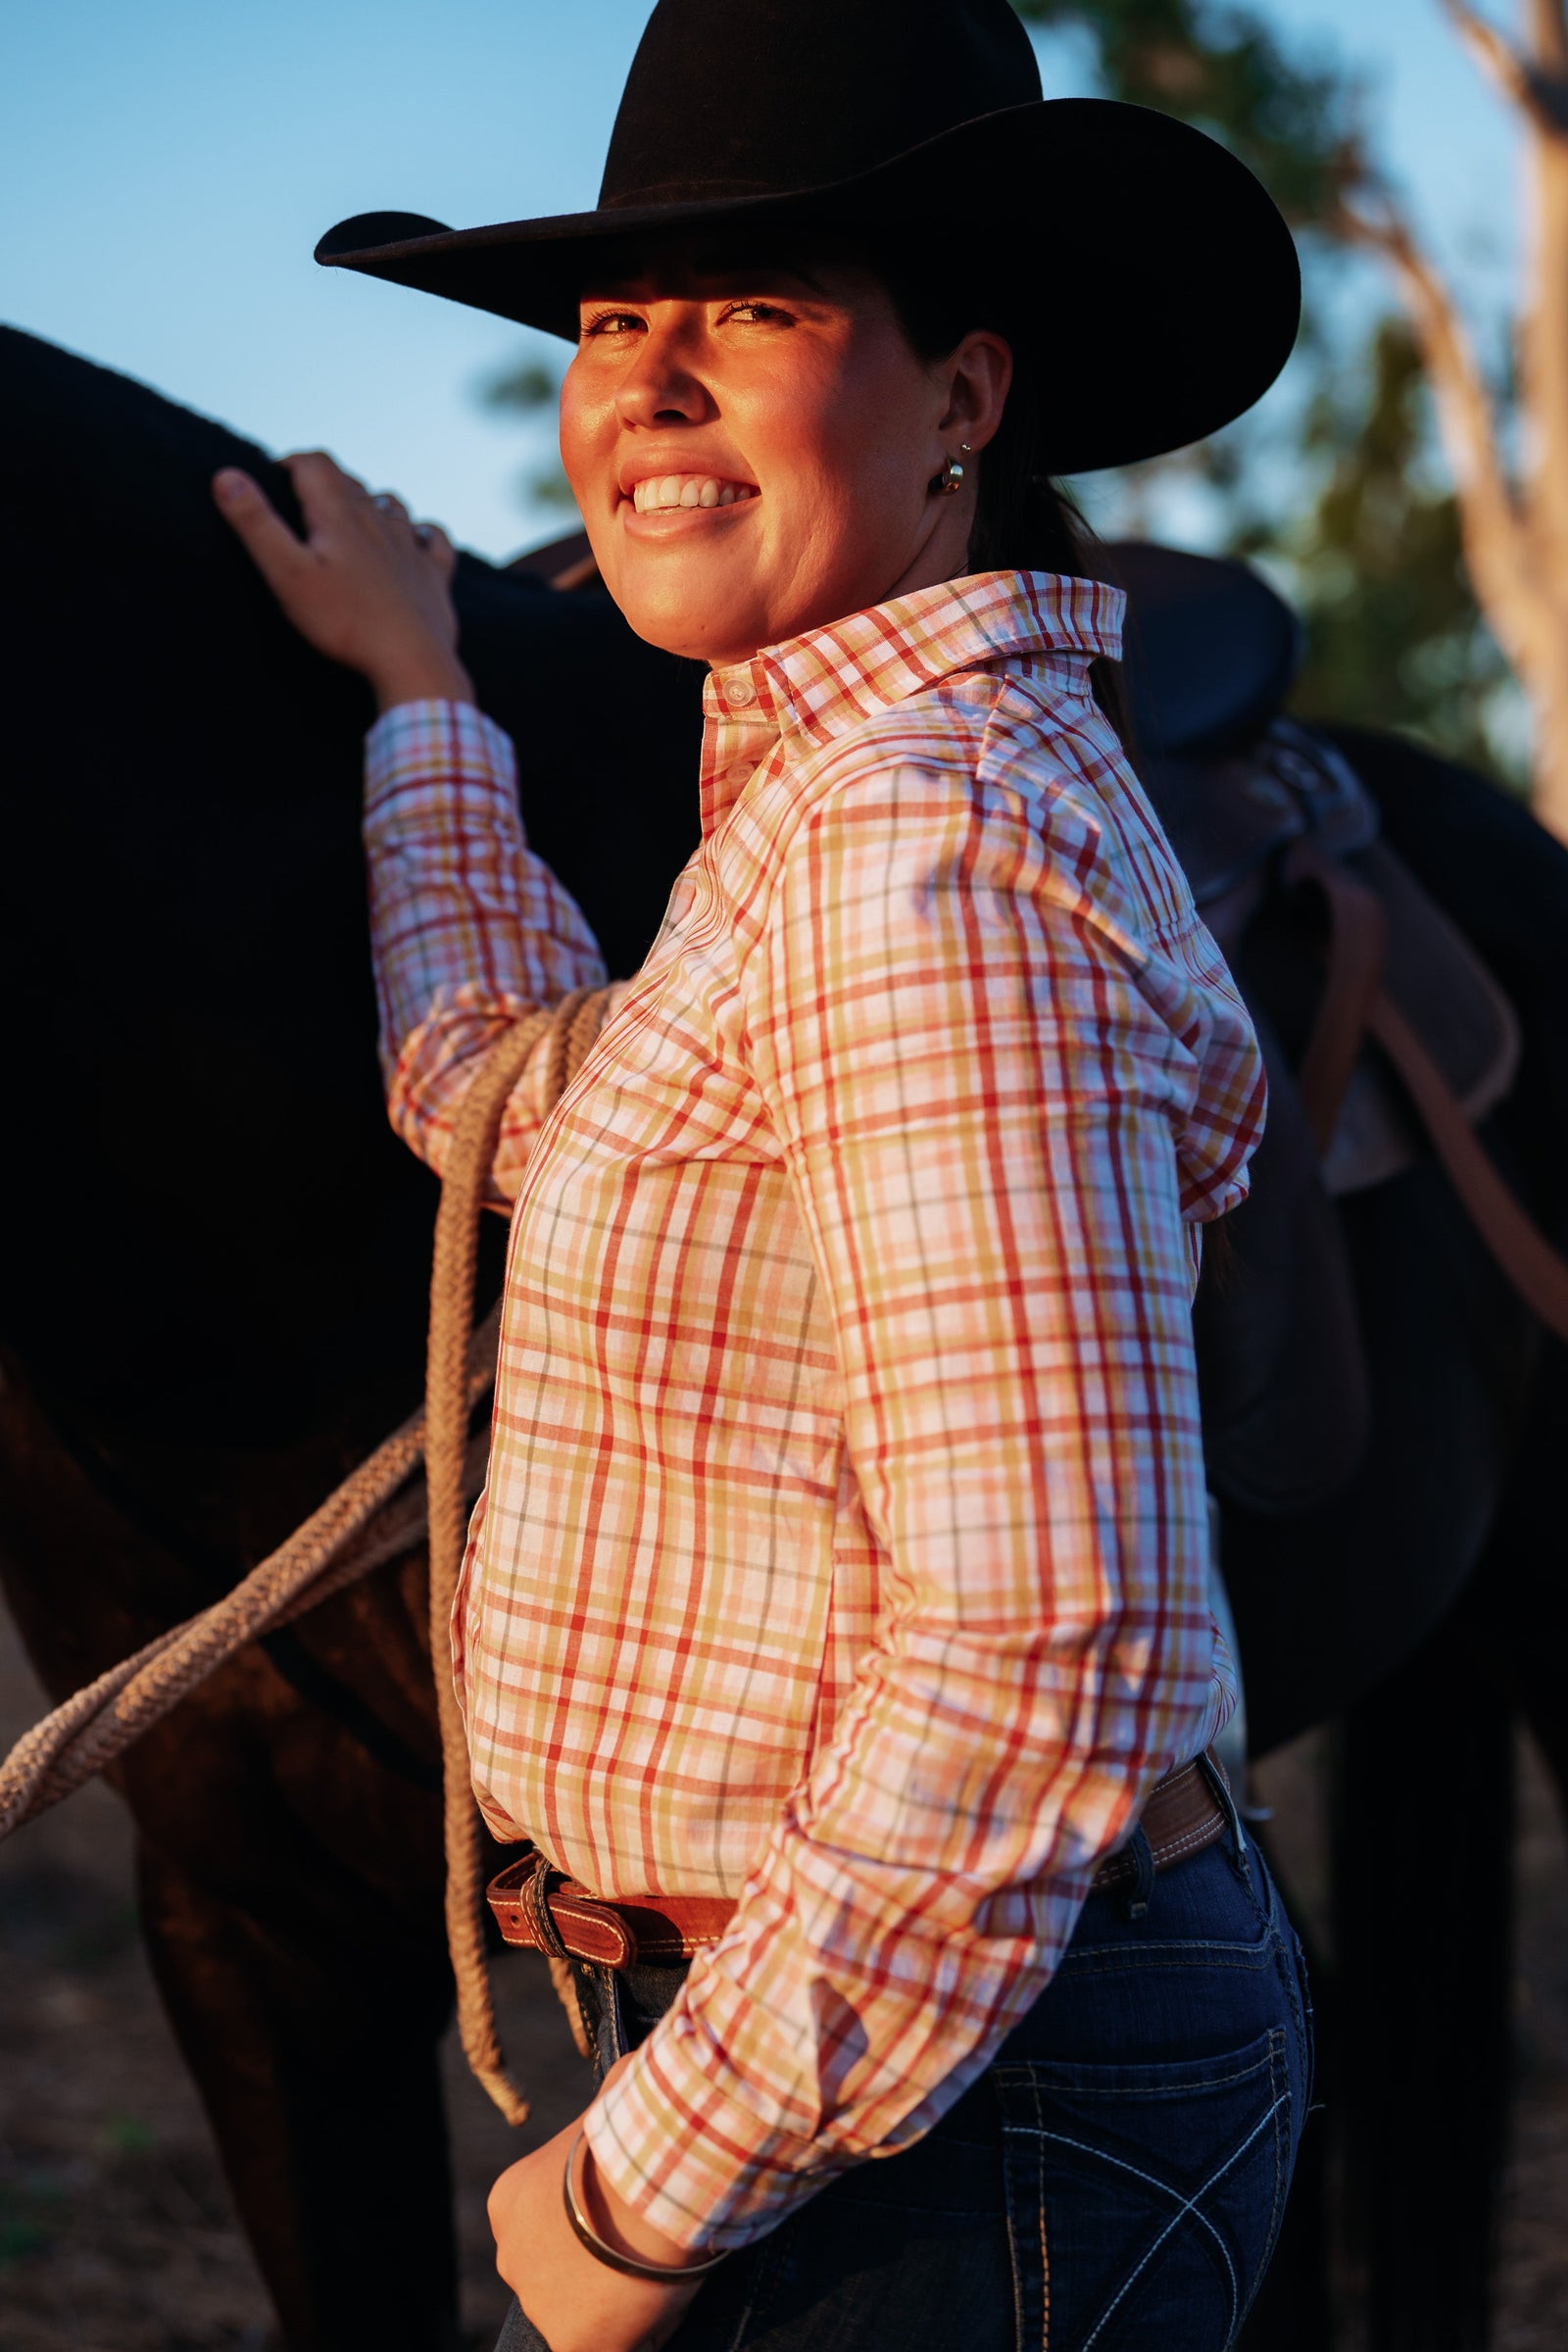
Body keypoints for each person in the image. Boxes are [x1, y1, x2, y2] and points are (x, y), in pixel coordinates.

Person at [216, 1, 1311, 2344]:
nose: (647, 381)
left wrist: (644, 2188)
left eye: (760, 308)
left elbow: (1055, 1646)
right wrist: (427, 696)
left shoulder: (928, 858)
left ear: (965, 400)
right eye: (618, 322)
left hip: (940, 2121)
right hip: (908, 2062)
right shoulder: (835, 806)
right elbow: (513, 1094)